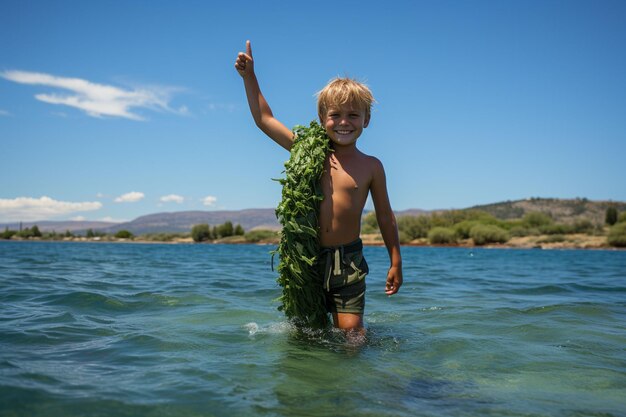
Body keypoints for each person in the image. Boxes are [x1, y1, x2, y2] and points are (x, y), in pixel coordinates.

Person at [235, 40, 402, 332]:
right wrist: (250, 77)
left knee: (352, 335)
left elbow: (386, 216)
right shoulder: (308, 152)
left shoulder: (372, 166)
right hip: (306, 257)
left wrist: (395, 260)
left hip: (347, 262)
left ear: (367, 119)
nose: (343, 122)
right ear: (322, 119)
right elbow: (264, 119)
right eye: (335, 115)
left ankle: (358, 377)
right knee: (307, 336)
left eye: (353, 115)